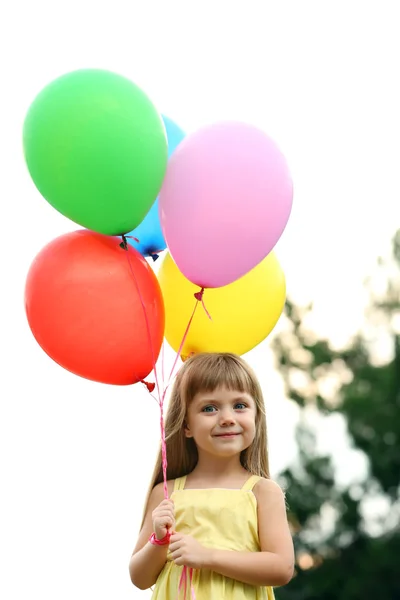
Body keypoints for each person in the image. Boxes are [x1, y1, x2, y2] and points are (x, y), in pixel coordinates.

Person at [129, 352, 294, 599]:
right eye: (209, 408)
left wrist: (207, 556)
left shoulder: (262, 491)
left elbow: (282, 568)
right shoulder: (168, 492)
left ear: (256, 417)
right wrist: (159, 541)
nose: (227, 419)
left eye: (240, 405)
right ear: (186, 425)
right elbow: (139, 578)